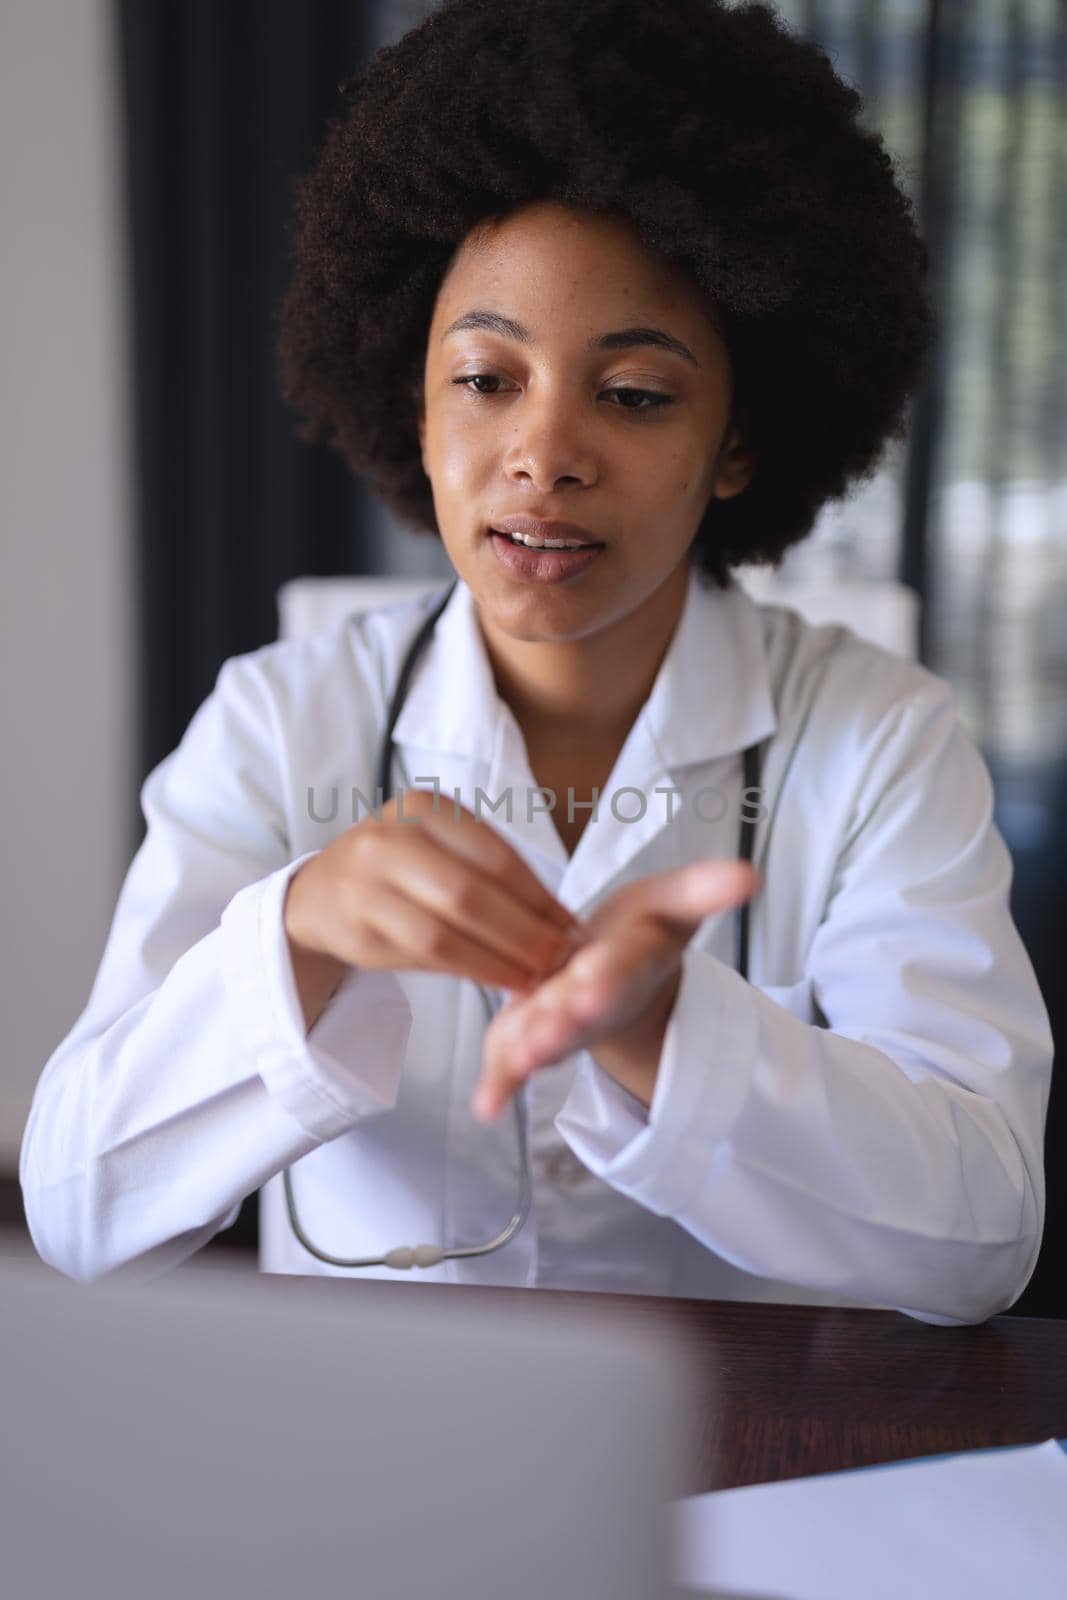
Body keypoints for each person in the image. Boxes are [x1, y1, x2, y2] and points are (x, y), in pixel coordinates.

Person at [20, 0, 1052, 1322]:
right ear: (414, 398)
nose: (544, 454)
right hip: (377, 1454)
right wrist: (299, 936)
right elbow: (72, 1209)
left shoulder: (879, 737)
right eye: (486, 378)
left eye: (632, 395)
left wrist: (664, 1031)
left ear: (739, 442)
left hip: (745, 1473)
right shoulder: (281, 724)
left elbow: (984, 1238)